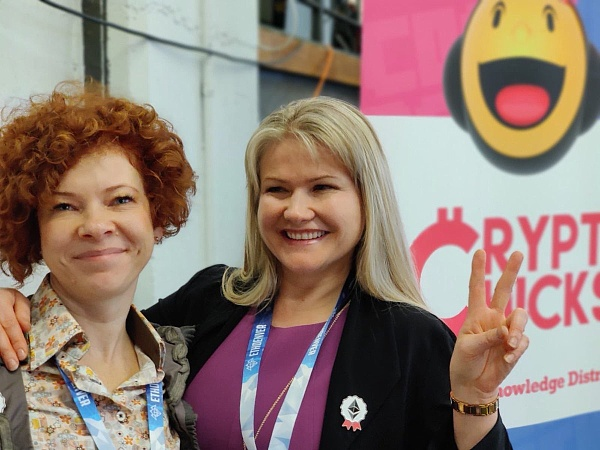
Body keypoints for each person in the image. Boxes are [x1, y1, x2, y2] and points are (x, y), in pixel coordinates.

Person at [0, 96, 529, 449]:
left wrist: (476, 400)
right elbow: (97, 320)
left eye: (322, 187)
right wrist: (10, 301)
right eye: (277, 190)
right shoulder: (208, 303)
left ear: (367, 201)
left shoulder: (411, 340)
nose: (296, 211)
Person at [0, 83, 198, 449]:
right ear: (32, 229)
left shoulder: (181, 366)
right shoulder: (5, 360)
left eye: (120, 199)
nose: (95, 225)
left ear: (156, 217)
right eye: (64, 206)